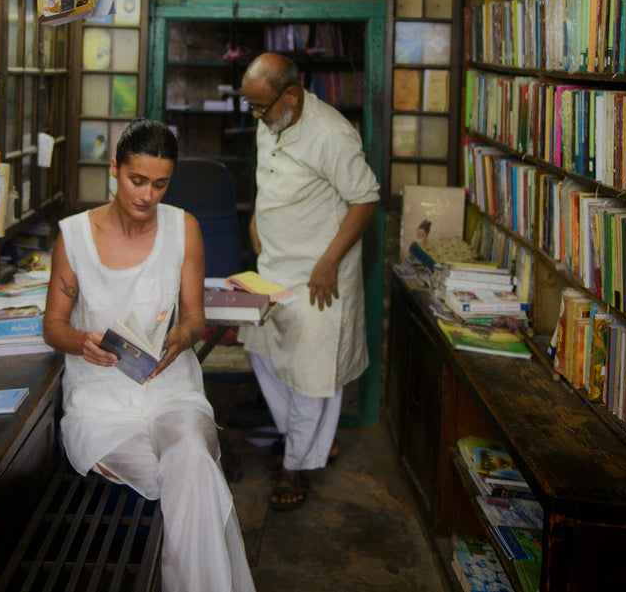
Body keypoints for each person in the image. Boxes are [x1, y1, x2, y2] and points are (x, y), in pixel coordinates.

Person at [43, 119, 255, 592]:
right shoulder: (75, 236)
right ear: (114, 169)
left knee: (193, 460)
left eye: (160, 184)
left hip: (170, 388)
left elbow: (195, 319)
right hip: (100, 403)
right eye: (137, 180)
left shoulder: (184, 229)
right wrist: (83, 342)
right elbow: (53, 327)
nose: (147, 196)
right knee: (194, 478)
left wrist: (181, 336)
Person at [239, 52, 380, 510]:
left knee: (310, 375)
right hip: (273, 266)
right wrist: (257, 221)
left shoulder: (332, 134)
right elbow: (270, 179)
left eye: (261, 106)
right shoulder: (271, 120)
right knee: (259, 349)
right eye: (251, 106)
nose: (255, 116)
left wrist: (327, 263)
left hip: (320, 279)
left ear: (292, 94)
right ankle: (312, 440)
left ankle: (294, 468)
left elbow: (365, 199)